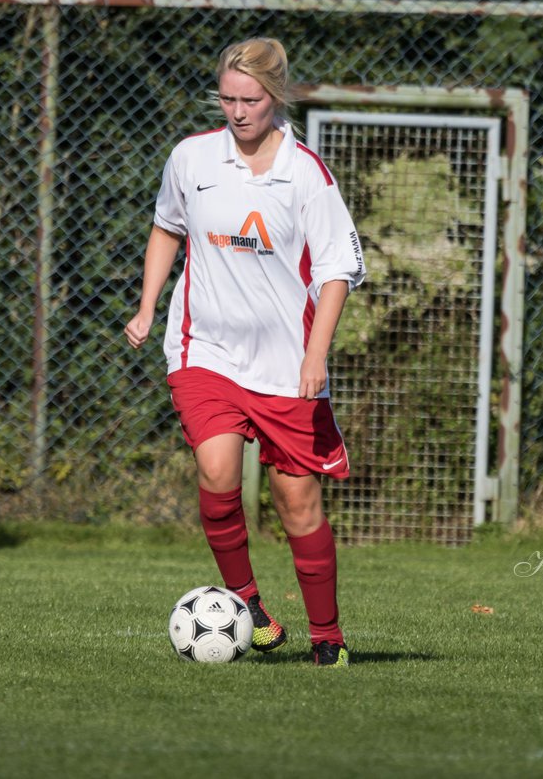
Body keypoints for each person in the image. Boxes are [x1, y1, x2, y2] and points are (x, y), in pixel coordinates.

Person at [125, 37, 366, 666]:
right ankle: (248, 605)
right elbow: (166, 227)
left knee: (297, 502)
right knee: (217, 471)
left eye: (250, 99)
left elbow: (337, 270)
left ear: (276, 95)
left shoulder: (306, 174)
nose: (237, 111)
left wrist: (316, 357)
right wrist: (149, 305)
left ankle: (328, 639)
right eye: (227, 98)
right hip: (203, 347)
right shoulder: (191, 158)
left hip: (288, 363)